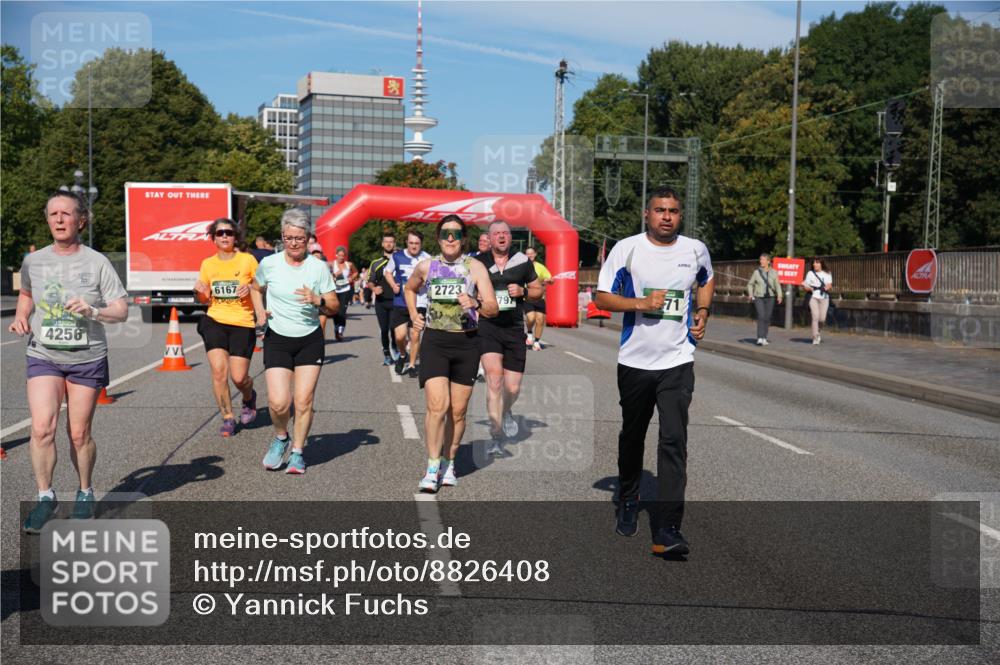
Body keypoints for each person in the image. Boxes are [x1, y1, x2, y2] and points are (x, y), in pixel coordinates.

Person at [595, 186, 714, 556]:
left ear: (680, 216)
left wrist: (703, 312)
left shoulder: (695, 249)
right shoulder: (627, 248)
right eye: (660, 210)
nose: (667, 216)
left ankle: (667, 529)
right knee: (633, 435)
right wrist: (639, 303)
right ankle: (628, 498)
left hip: (677, 362)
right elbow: (601, 297)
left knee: (674, 440)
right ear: (647, 214)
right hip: (635, 362)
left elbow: (707, 278)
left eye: (673, 211)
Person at [11, 191, 129, 532]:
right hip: (44, 353)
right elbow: (27, 294)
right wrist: (22, 317)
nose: (59, 220)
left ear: (81, 220)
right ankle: (46, 497)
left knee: (78, 433)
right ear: (48, 220)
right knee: (41, 427)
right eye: (53, 214)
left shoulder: (97, 262)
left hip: (87, 357)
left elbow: (121, 309)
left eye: (66, 214)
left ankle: (84, 491)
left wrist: (93, 310)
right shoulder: (35, 261)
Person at [405, 215, 498, 492]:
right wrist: (414, 315)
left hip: (467, 343)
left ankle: (449, 462)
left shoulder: (475, 268)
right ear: (437, 237)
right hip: (435, 341)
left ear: (463, 239)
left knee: (457, 412)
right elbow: (410, 289)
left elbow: (493, 307)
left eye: (455, 234)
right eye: (445, 233)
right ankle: (432, 466)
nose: (450, 238)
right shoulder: (426, 266)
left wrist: (476, 302)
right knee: (437, 407)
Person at [250, 209, 338, 475]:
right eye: (289, 238)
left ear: (308, 238)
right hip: (277, 337)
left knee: (303, 400)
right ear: (282, 237)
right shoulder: (270, 264)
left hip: (309, 339)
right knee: (278, 403)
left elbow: (334, 306)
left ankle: (298, 452)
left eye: (300, 238)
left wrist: (318, 300)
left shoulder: (318, 268)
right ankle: (281, 437)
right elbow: (256, 287)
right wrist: (259, 312)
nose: (294, 243)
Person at [474, 220, 543, 457]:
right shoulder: (478, 262)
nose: (501, 237)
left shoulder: (522, 261)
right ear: (490, 239)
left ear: (510, 238)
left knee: (512, 388)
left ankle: (505, 411)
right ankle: (495, 437)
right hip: (488, 326)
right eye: (497, 234)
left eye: (505, 233)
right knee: (494, 381)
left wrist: (523, 291)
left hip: (514, 328)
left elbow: (538, 290)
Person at [193, 218, 260, 438]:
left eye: (229, 233)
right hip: (215, 320)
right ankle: (228, 417)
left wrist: (249, 287)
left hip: (242, 322)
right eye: (220, 233)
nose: (224, 236)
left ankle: (249, 398)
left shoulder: (247, 260)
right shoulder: (207, 264)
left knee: (239, 378)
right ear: (213, 238)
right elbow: (204, 298)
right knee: (219, 372)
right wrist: (200, 291)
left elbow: (263, 286)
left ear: (235, 237)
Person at [385, 230, 431, 377]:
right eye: (411, 243)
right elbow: (387, 272)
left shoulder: (427, 258)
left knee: (415, 336)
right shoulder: (397, 256)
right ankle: (403, 354)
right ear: (406, 243)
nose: (414, 246)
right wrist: (393, 284)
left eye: (417, 243)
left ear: (421, 244)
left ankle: (411, 366)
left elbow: (433, 278)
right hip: (401, 301)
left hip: (420, 302)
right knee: (400, 336)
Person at [368, 232, 397, 366]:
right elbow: (370, 281)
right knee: (384, 329)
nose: (389, 244)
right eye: (386, 241)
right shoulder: (376, 263)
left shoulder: (399, 260)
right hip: (381, 302)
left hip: (397, 301)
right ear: (382, 244)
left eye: (391, 241)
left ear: (394, 243)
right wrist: (374, 289)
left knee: (394, 329)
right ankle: (386, 353)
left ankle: (396, 348)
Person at [746, 252, 782, 346]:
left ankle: (764, 337)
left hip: (770, 297)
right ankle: (760, 338)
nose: (760, 261)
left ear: (768, 261)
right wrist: (750, 294)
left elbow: (777, 285)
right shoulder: (756, 272)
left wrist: (779, 295)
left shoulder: (774, 272)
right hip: (759, 297)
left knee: (767, 317)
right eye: (760, 259)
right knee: (761, 316)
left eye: (762, 259)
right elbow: (750, 284)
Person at [523, 246, 552, 350]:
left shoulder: (540, 267)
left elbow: (550, 279)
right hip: (527, 297)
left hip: (540, 298)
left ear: (535, 254)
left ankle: (536, 342)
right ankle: (529, 333)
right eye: (527, 253)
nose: (529, 255)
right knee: (531, 318)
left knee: (540, 320)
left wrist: (549, 281)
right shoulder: (522, 266)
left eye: (531, 253)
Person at [330, 246, 358, 342]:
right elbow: (325, 274)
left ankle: (340, 331)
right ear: (336, 255)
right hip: (334, 290)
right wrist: (333, 276)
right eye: (340, 255)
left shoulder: (349, 264)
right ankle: (336, 327)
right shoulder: (331, 264)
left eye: (343, 256)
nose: (341, 257)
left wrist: (351, 278)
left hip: (346, 290)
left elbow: (355, 272)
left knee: (342, 311)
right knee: (335, 311)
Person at [802, 258, 833, 345]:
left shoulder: (827, 273)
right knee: (815, 316)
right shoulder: (810, 273)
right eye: (814, 263)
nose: (815, 264)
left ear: (821, 264)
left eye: (817, 263)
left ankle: (818, 332)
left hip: (824, 297)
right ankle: (815, 337)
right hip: (813, 297)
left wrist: (827, 287)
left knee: (822, 319)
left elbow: (830, 284)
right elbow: (805, 285)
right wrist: (808, 288)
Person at [310, 250, 331, 337]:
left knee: (322, 323)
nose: (316, 259)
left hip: (322, 300)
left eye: (318, 257)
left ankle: (320, 341)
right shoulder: (305, 269)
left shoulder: (325, 269)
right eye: (314, 257)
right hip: (310, 302)